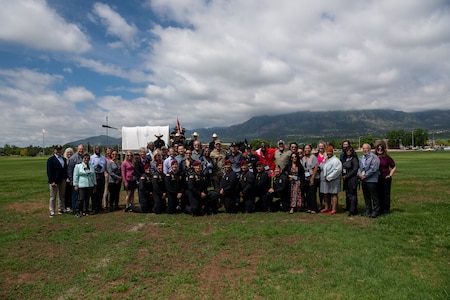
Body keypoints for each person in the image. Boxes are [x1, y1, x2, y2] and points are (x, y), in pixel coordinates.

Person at [358, 143, 380, 218]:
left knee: (374, 196)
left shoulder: (374, 157)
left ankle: (375, 211)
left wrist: (365, 175)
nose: (365, 150)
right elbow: (359, 167)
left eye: (366, 148)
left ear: (370, 149)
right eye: (363, 148)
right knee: (366, 196)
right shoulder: (361, 158)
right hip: (363, 180)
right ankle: (368, 210)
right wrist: (359, 174)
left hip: (371, 180)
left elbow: (374, 168)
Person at [319, 145, 342, 215]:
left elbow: (337, 170)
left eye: (330, 152)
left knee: (333, 194)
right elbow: (321, 167)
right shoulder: (324, 159)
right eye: (327, 151)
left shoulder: (336, 160)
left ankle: (334, 209)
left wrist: (329, 177)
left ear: (332, 152)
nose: (328, 153)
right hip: (324, 179)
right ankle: (326, 207)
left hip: (333, 180)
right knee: (325, 194)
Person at [46, 144, 68, 217]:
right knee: (53, 196)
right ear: (55, 150)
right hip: (54, 181)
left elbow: (65, 170)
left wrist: (66, 178)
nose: (58, 151)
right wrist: (51, 181)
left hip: (62, 180)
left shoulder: (64, 159)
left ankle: (61, 209)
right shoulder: (51, 160)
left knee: (62, 196)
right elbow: (49, 171)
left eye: (60, 149)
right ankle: (52, 210)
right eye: (57, 149)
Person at [73, 153, 97, 217]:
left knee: (87, 199)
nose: (86, 159)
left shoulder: (91, 166)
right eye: (85, 158)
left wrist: (95, 183)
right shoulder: (78, 166)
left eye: (88, 158)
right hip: (81, 185)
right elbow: (76, 176)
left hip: (90, 184)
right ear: (82, 159)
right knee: (81, 199)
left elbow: (93, 175)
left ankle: (85, 210)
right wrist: (75, 184)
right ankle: (77, 211)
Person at [376, 143, 396, 215]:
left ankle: (386, 210)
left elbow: (394, 166)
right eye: (378, 149)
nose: (380, 150)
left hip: (385, 177)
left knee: (386, 194)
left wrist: (390, 175)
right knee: (378, 194)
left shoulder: (387, 158)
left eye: (381, 149)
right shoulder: (374, 157)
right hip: (376, 178)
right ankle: (379, 208)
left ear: (384, 150)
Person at [342, 146, 359, 216]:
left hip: (352, 179)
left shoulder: (354, 159)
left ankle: (353, 210)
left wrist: (347, 176)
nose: (349, 152)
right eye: (347, 150)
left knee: (352, 194)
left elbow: (355, 170)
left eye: (350, 150)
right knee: (348, 193)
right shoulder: (345, 159)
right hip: (346, 179)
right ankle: (348, 207)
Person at [301, 144, 319, 214]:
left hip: (313, 177)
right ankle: (309, 207)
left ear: (311, 149)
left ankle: (314, 208)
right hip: (306, 178)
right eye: (305, 148)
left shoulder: (313, 157)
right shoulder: (303, 158)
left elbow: (316, 167)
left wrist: (312, 178)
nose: (307, 150)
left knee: (312, 193)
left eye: (308, 148)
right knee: (307, 193)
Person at [90, 145, 107, 214]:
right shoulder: (92, 158)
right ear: (94, 149)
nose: (98, 150)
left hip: (101, 175)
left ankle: (99, 206)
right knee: (95, 192)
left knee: (101, 191)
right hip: (95, 175)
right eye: (96, 149)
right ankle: (94, 208)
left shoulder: (103, 158)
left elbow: (105, 167)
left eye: (99, 149)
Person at [67, 144, 84, 213]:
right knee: (75, 195)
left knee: (81, 195)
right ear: (77, 149)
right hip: (75, 179)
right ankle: (74, 209)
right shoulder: (73, 158)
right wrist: (71, 179)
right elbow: (69, 170)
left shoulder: (84, 157)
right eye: (80, 149)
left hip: (83, 179)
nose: (81, 150)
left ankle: (80, 208)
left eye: (82, 149)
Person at [63, 147, 74, 212]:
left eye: (70, 152)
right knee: (66, 193)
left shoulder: (72, 160)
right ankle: (66, 205)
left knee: (71, 193)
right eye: (68, 152)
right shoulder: (64, 160)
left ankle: (71, 205)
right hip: (66, 179)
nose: (69, 154)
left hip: (72, 178)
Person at [315, 142, 326, 209]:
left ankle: (325, 204)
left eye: (322, 147)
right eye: (320, 147)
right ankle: (319, 204)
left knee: (324, 191)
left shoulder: (326, 155)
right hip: (317, 174)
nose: (321, 148)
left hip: (324, 174)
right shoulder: (315, 155)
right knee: (317, 190)